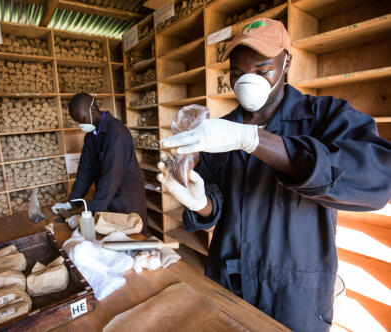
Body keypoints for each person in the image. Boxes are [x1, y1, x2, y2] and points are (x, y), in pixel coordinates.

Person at [157, 18, 391, 331]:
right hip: (229, 283)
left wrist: (255, 140)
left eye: (262, 68)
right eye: (238, 73)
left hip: (295, 297)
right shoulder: (218, 132)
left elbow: (378, 180)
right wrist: (201, 203)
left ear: (286, 62)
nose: (247, 80)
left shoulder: (325, 117)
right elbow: (217, 203)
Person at [52, 93, 147, 233]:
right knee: (114, 239)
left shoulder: (117, 133)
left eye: (82, 119)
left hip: (126, 198)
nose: (81, 125)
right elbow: (85, 171)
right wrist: (71, 203)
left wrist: (87, 215)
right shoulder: (90, 136)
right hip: (108, 197)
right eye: (77, 121)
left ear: (93, 110)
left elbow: (111, 177)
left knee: (134, 238)